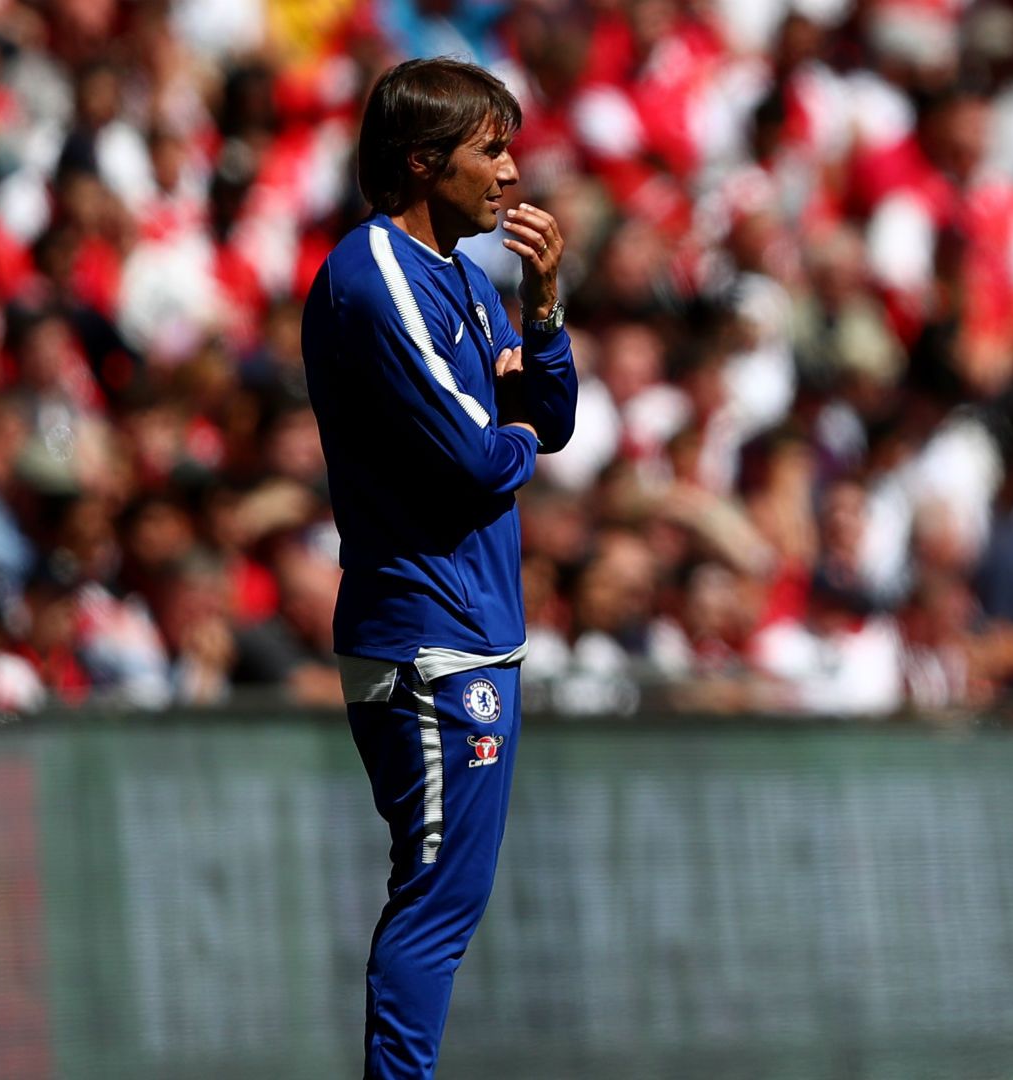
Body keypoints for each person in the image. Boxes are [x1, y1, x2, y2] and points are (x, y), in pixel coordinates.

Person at [300, 57, 577, 1079]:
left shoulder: (464, 275)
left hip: (470, 631)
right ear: (424, 164)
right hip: (426, 644)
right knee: (433, 907)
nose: (510, 171)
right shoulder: (374, 276)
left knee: (444, 903)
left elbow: (548, 419)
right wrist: (511, 429)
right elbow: (484, 457)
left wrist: (542, 307)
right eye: (488, 149)